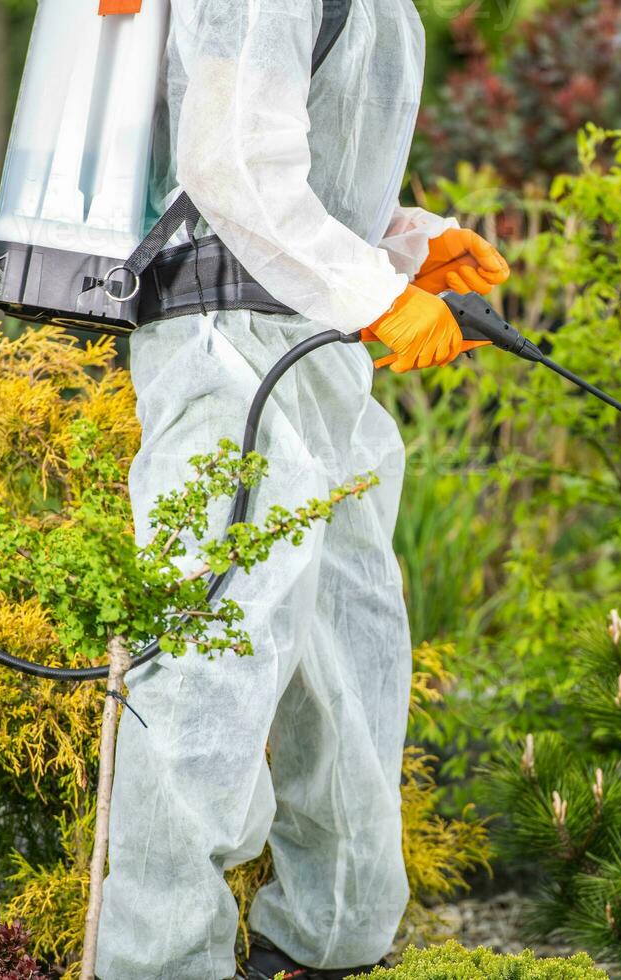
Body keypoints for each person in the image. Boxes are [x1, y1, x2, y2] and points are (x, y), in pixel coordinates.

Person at [94, 0, 509, 977]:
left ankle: (334, 938)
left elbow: (295, 158)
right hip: (222, 348)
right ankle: (160, 960)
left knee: (351, 634)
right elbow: (226, 162)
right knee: (215, 652)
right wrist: (375, 294)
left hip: (315, 350)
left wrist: (402, 242)